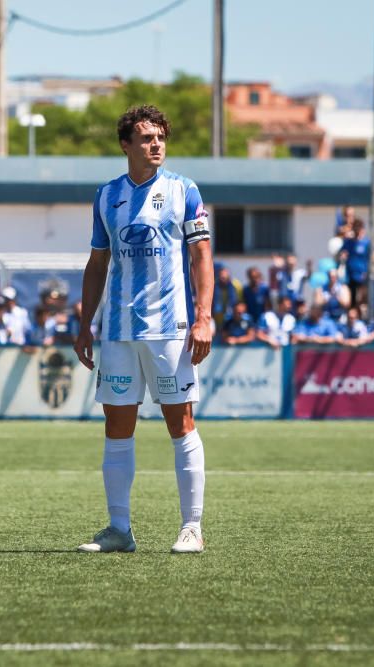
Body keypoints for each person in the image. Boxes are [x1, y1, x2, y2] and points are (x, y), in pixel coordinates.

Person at [73, 104, 214, 555]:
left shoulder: (183, 191)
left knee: (181, 422)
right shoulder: (106, 195)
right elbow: (97, 264)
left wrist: (204, 316)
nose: (156, 145)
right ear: (126, 145)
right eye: (147, 138)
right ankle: (119, 530)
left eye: (161, 138)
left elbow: (201, 257)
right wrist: (84, 322)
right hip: (116, 330)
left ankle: (192, 527)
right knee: (117, 427)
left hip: (170, 328)